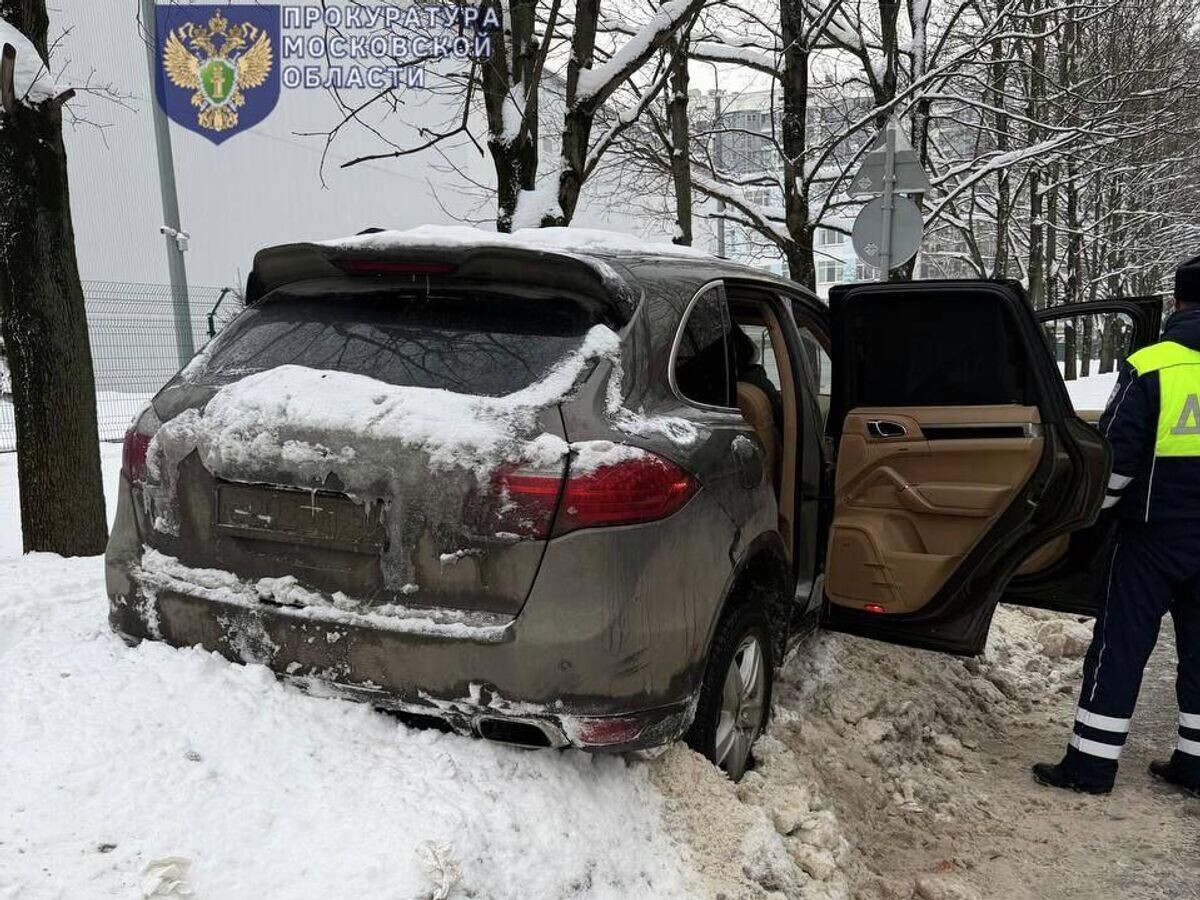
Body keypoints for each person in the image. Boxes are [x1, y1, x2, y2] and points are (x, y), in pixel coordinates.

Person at [1033, 255, 1200, 796]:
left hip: (1153, 536)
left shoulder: (1152, 365)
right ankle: (1195, 766)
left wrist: (1088, 516)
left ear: (1178, 301)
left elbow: (1117, 459)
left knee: (1121, 647)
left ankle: (1090, 766)